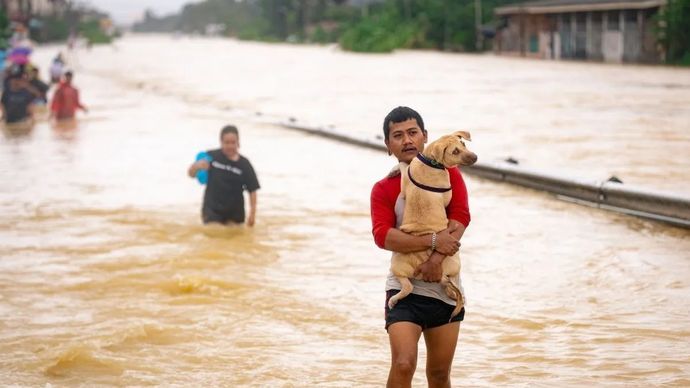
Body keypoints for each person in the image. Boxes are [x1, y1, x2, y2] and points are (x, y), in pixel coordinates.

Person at [370, 106, 471, 388]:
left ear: (425, 137)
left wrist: (435, 259)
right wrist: (433, 241)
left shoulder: (450, 175)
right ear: (388, 146)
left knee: (439, 375)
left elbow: (461, 218)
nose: (407, 140)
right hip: (405, 288)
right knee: (403, 364)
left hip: (445, 285)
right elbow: (383, 236)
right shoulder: (384, 188)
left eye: (413, 133)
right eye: (398, 136)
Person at [187, 125, 260, 226]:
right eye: (227, 143)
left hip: (235, 213)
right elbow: (191, 175)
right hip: (212, 211)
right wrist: (196, 166)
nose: (230, 146)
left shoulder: (244, 164)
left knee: (234, 239)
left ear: (238, 142)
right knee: (214, 236)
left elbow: (253, 190)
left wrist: (252, 214)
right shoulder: (211, 157)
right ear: (221, 142)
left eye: (233, 143)